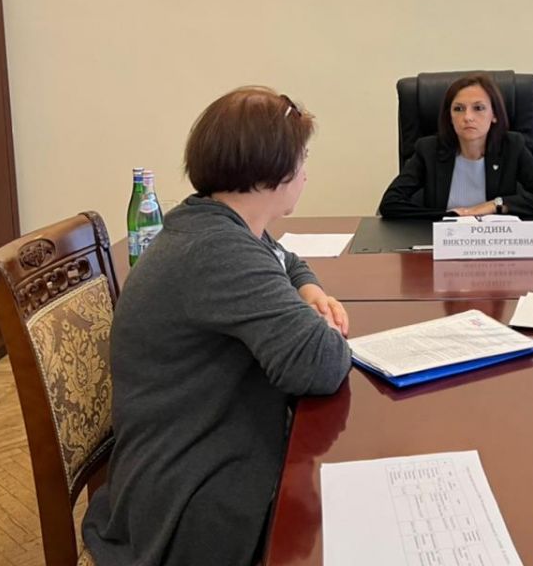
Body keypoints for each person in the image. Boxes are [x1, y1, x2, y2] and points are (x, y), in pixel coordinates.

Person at [83, 87, 352, 565]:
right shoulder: (217, 250)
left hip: (182, 450)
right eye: (303, 159)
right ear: (273, 170)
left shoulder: (210, 221)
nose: (306, 173)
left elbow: (282, 258)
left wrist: (306, 288)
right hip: (191, 497)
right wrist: (322, 329)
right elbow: (319, 364)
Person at [378, 73, 533, 219]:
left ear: (494, 115)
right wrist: (450, 216)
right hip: (442, 244)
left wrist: (494, 205)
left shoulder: (512, 147)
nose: (468, 117)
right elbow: (390, 204)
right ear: (449, 117)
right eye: (458, 109)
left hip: (497, 246)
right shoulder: (428, 150)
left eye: (478, 108)